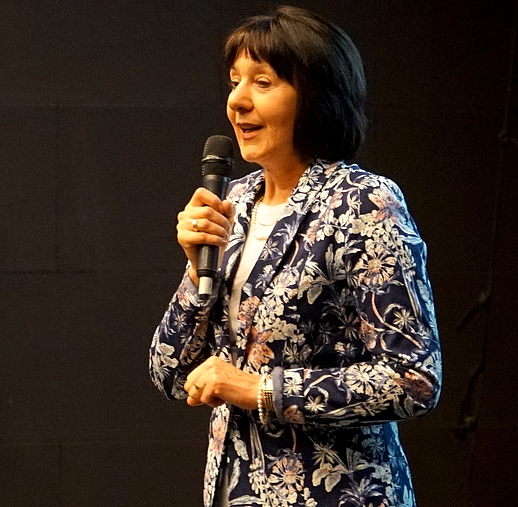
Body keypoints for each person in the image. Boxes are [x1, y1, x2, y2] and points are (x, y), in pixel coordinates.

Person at [149, 6, 441, 507]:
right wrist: (195, 270)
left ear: (316, 96)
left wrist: (260, 390)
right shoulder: (233, 203)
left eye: (262, 83)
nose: (237, 100)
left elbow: (413, 378)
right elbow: (171, 375)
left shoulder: (363, 203)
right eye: (234, 82)